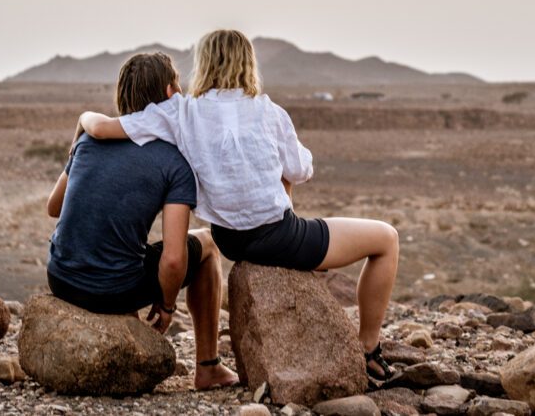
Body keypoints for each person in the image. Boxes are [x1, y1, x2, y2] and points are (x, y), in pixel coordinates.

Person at [75, 29, 400, 381]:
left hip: (229, 238)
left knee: (249, 212)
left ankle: (211, 363)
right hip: (279, 237)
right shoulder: (269, 111)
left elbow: (104, 127)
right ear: (248, 63)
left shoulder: (182, 112)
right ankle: (368, 347)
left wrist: (83, 120)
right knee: (386, 239)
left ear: (204, 64)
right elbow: (301, 169)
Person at [46, 52, 238, 390]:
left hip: (60, 278)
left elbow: (54, 207)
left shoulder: (90, 140)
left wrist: (80, 149)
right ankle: (208, 366)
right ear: (169, 94)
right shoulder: (175, 162)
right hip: (113, 290)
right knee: (206, 243)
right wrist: (165, 305)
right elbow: (175, 258)